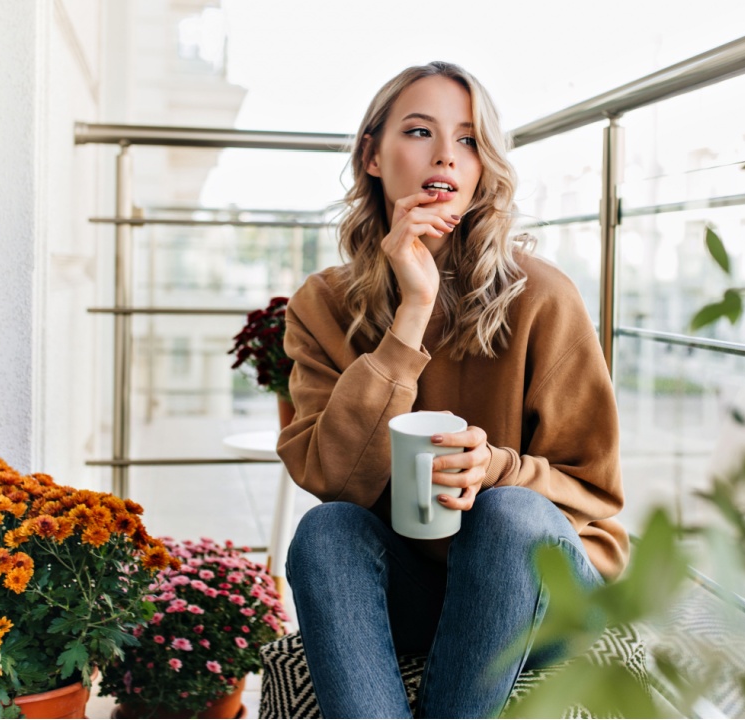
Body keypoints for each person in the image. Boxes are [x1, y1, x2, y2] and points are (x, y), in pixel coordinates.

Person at [276, 61, 627, 719]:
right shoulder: (321, 305)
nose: (444, 153)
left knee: (509, 514)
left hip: (540, 591)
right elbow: (334, 479)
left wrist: (496, 468)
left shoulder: (542, 297)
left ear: (483, 165)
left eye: (468, 139)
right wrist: (411, 315)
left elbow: (596, 491)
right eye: (418, 131)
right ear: (372, 156)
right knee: (326, 532)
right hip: (414, 590)